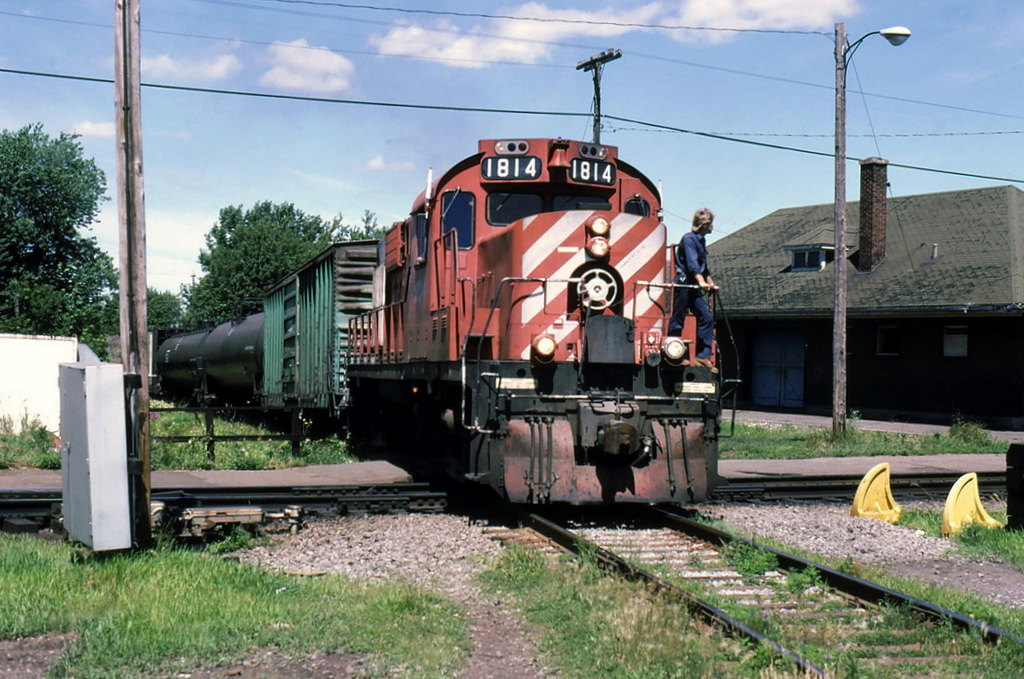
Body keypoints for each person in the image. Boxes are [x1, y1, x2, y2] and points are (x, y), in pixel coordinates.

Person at [667, 208, 718, 371]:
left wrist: (710, 283)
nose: (713, 227)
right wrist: (701, 281)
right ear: (705, 224)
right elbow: (692, 264)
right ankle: (674, 355)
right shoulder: (688, 239)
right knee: (678, 318)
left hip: (695, 285)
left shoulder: (701, 241)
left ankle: (702, 356)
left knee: (707, 318)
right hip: (684, 283)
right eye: (711, 223)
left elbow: (704, 268)